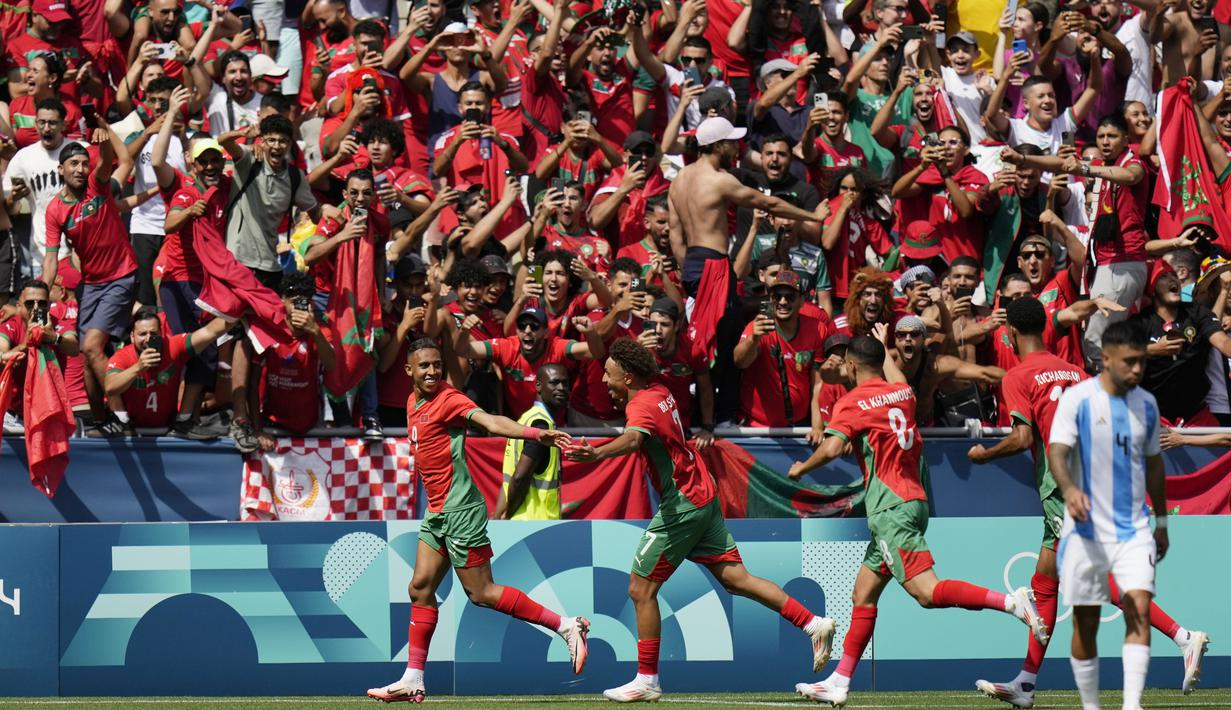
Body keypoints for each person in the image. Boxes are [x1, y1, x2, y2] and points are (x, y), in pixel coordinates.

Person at [566, 338, 836, 703]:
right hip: (702, 494)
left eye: (608, 375)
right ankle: (813, 624)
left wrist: (594, 454)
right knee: (737, 580)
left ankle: (646, 679)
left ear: (628, 377)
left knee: (640, 589)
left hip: (683, 504)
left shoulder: (642, 405)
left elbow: (632, 441)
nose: (603, 382)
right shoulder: (659, 389)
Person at [969, 297, 1209, 707]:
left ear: (1009, 334)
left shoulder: (1018, 375)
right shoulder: (1076, 372)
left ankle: (1183, 637)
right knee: (1045, 580)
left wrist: (983, 454)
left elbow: (1023, 438)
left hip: (1066, 487)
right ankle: (1026, 682)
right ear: (1045, 329)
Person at [789, 335, 1046, 707]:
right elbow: (892, 380)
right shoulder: (903, 395)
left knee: (927, 593)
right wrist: (881, 347)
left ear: (851, 366)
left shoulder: (853, 401)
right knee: (863, 593)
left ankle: (1011, 602)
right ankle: (840, 681)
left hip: (890, 509)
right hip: (913, 500)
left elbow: (830, 447)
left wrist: (802, 468)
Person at [365, 338, 589, 703]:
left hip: (461, 512)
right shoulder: (411, 402)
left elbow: (491, 421)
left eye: (437, 365)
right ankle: (413, 678)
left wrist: (535, 433)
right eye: (424, 366)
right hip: (437, 512)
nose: (433, 372)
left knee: (482, 593)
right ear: (409, 371)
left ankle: (566, 627)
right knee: (420, 587)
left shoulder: (449, 399)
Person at [1047, 321, 1170, 710]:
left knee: (1139, 606)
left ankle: (1132, 705)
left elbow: (1154, 466)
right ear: (1106, 359)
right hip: (1084, 531)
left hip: (1133, 529)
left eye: (1142, 364)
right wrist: (1068, 490)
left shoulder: (1147, 404)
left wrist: (1162, 522)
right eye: (1130, 362)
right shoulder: (1078, 400)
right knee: (1085, 621)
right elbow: (1057, 452)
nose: (1137, 370)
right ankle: (1091, 705)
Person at [669, 116, 824, 362]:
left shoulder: (678, 181)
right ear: (719, 145)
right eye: (732, 143)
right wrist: (812, 215)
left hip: (691, 267)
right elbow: (768, 202)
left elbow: (675, 236)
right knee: (723, 347)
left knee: (701, 342)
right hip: (714, 266)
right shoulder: (719, 180)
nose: (736, 148)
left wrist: (689, 267)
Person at [43, 122, 138, 438]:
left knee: (94, 346)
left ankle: (122, 416)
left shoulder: (99, 185)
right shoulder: (56, 210)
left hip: (122, 275)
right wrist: (43, 297)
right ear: (61, 169)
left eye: (85, 162)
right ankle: (100, 420)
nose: (81, 169)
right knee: (85, 354)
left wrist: (105, 139)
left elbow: (108, 161)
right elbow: (50, 258)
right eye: (73, 164)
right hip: (92, 284)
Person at [103, 307, 231, 431]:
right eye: (142, 334)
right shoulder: (122, 356)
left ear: (162, 333)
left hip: (168, 425)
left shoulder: (173, 345)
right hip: (133, 427)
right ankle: (121, 420)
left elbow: (210, 332)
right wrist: (138, 367)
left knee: (202, 357)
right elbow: (110, 387)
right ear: (132, 336)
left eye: (153, 334)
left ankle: (184, 420)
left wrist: (238, 312)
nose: (148, 339)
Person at [496, 362, 569, 521]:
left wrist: (498, 517)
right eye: (554, 382)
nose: (562, 387)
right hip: (535, 524)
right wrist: (508, 514)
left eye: (565, 382)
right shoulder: (541, 425)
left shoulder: (525, 419)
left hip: (523, 522)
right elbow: (519, 477)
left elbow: (509, 480)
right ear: (538, 386)